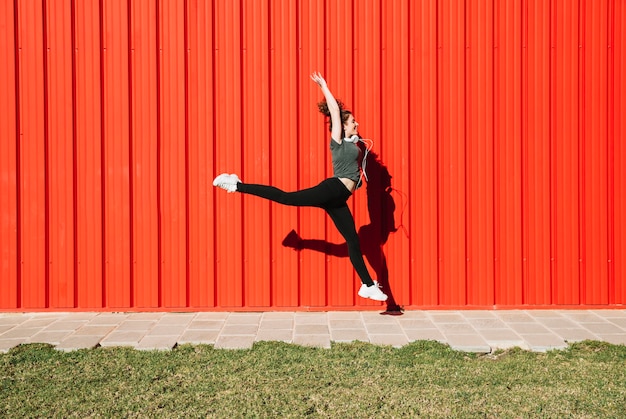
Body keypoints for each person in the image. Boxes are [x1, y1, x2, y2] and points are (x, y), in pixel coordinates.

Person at [213, 72, 387, 302]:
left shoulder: (353, 144)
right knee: (287, 197)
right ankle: (236, 184)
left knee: (352, 241)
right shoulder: (337, 142)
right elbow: (335, 112)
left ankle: (366, 285)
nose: (357, 124)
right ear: (342, 127)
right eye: (353, 122)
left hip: (338, 199)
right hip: (333, 188)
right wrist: (324, 86)